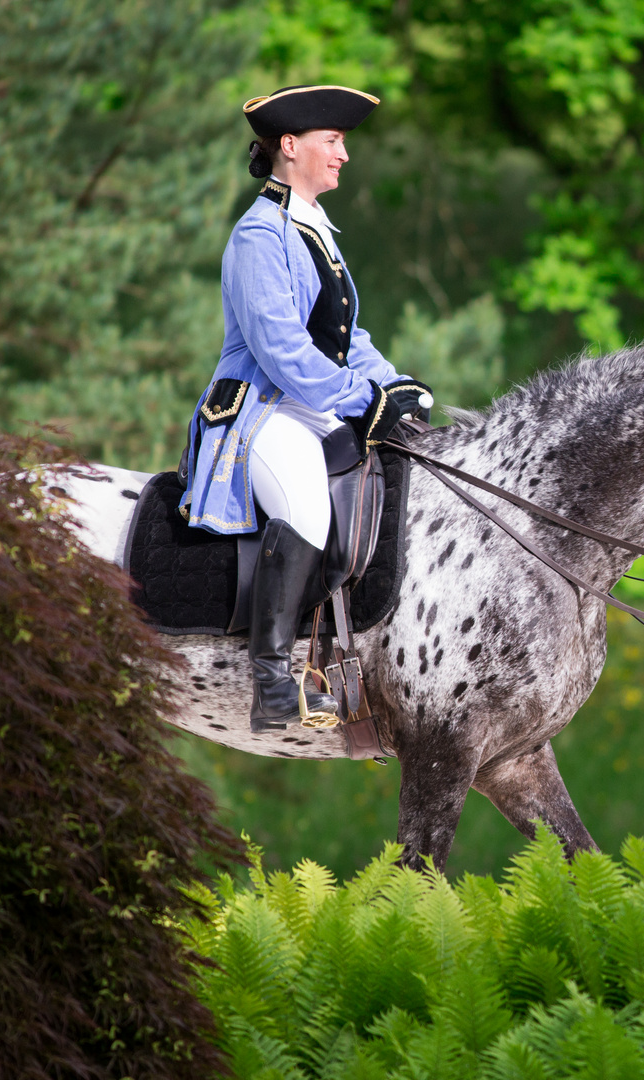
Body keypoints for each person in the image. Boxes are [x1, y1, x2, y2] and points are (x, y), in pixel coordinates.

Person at [178, 85, 431, 733]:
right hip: (260, 413)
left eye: (343, 143)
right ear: (290, 146)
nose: (344, 154)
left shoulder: (313, 226)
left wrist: (398, 388)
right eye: (334, 141)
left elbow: (349, 339)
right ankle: (270, 684)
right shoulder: (259, 236)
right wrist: (362, 400)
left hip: (307, 405)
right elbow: (283, 349)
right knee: (307, 506)